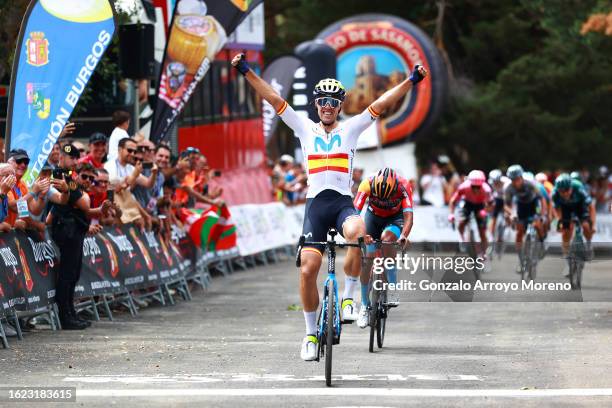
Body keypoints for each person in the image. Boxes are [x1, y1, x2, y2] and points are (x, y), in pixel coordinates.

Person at [231, 52, 428, 361]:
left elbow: (384, 101)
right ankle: (310, 334)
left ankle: (348, 298)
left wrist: (411, 80)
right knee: (309, 269)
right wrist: (245, 70)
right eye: (322, 101)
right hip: (315, 207)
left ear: (339, 106)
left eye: (333, 102)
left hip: (341, 203)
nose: (327, 106)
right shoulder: (303, 128)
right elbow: (272, 96)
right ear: (316, 104)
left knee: (359, 232)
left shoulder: (350, 129)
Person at [49, 162, 111, 329]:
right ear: (76, 174)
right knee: (67, 275)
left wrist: (101, 209)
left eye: (92, 178)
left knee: (74, 275)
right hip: (68, 234)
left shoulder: (78, 189)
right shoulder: (70, 185)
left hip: (77, 233)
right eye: (85, 176)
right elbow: (85, 207)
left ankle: (71, 312)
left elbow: (87, 211)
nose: (88, 180)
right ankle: (65, 316)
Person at [353, 168, 413, 328]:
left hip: (395, 218)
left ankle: (392, 286)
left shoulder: (403, 185)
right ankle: (365, 306)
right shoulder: (366, 184)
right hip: (373, 218)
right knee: (367, 261)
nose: (384, 200)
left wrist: (404, 236)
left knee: (387, 240)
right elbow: (354, 214)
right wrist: (361, 233)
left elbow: (408, 217)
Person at [104, 138, 156, 229]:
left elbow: (148, 184)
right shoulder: (109, 166)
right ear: (120, 149)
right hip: (113, 208)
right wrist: (134, 175)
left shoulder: (130, 168)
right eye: (129, 150)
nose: (132, 154)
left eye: (134, 151)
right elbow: (114, 190)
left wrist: (154, 173)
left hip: (127, 208)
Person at [503, 165, 548, 267]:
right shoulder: (508, 188)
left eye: (517, 179)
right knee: (519, 232)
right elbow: (506, 205)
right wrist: (512, 213)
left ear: (521, 177)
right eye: (513, 180)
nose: (515, 182)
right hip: (521, 206)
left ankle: (542, 242)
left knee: (537, 223)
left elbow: (542, 199)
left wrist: (542, 214)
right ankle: (520, 259)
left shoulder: (530, 184)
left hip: (534, 204)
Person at [552, 174, 596, 266]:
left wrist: (593, 224)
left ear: (571, 188)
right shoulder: (555, 194)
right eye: (561, 191)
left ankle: (588, 244)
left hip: (580, 206)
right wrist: (560, 222)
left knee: (586, 226)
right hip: (566, 208)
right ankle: (567, 258)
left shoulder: (579, 189)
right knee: (566, 232)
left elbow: (591, 207)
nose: (564, 194)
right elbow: (556, 210)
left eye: (567, 190)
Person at [448, 170, 493, 256]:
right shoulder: (463, 187)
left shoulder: (487, 190)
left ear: (482, 185)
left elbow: (491, 204)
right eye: (473, 186)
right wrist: (451, 214)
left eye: (478, 187)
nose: (476, 189)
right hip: (467, 203)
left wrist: (485, 211)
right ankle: (462, 238)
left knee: (482, 232)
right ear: (470, 184)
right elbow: (453, 201)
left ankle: (484, 253)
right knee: (461, 222)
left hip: (480, 205)